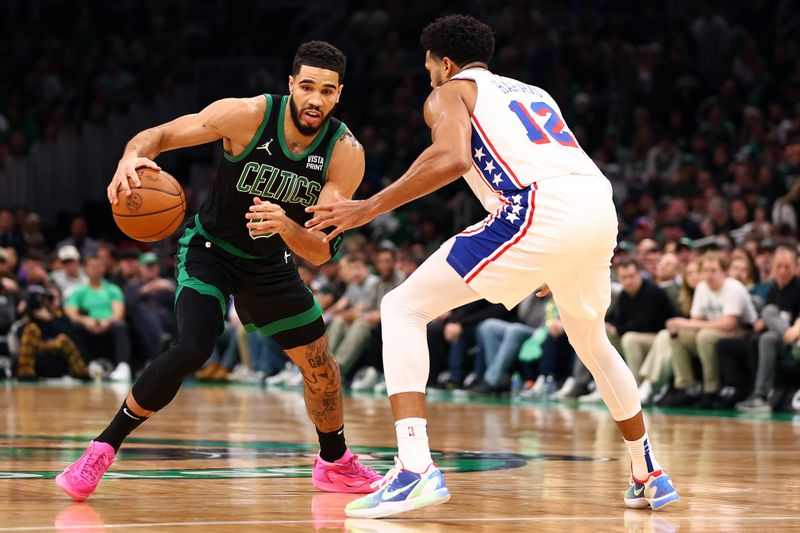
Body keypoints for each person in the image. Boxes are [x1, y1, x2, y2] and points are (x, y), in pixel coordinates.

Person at [307, 15, 679, 518]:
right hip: (596, 206)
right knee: (592, 341)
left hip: (537, 208)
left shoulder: (450, 92)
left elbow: (451, 158)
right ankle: (648, 472)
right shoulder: (534, 92)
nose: (428, 76)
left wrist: (366, 207)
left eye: (428, 66)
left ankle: (414, 468)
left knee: (401, 307)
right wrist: (552, 253)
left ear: (444, 62)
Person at [55, 41, 380, 503]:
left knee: (322, 367)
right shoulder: (246, 116)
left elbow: (322, 251)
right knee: (193, 346)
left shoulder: (345, 153)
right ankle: (102, 448)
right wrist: (130, 157)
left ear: (338, 95)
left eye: (326, 91)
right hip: (211, 249)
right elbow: (161, 135)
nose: (314, 99)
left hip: (270, 265)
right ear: (291, 85)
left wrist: (287, 226)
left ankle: (334, 462)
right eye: (306, 86)